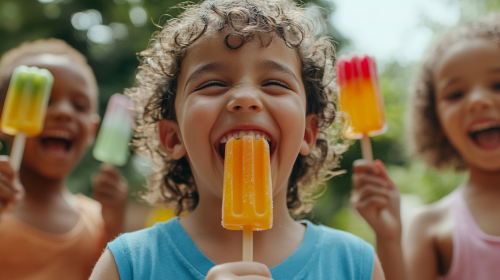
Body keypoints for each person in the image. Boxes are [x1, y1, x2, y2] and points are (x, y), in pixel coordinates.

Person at [90, 0, 386, 279]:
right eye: (213, 83)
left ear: (308, 133)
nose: (245, 98)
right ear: (173, 137)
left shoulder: (355, 265)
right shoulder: (129, 265)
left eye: (274, 83)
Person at [350, 15, 500, 280]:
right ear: (435, 121)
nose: (477, 101)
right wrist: (388, 238)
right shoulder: (432, 227)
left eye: (497, 85)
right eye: (455, 94)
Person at [0, 39, 129, 280]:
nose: (64, 112)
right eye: (45, 100)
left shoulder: (98, 221)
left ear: (92, 130)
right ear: (5, 117)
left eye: (79, 105)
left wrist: (115, 229)